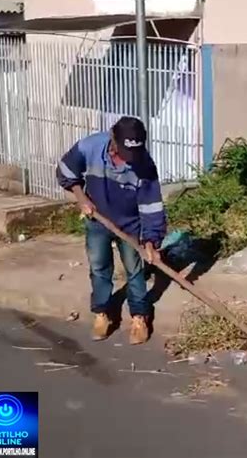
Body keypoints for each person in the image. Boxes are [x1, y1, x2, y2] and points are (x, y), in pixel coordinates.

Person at [56, 116, 166, 345]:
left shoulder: (144, 164)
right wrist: (81, 197)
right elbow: (65, 171)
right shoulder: (90, 146)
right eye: (125, 151)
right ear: (113, 138)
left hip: (130, 225)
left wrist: (151, 242)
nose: (129, 159)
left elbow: (151, 206)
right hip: (98, 219)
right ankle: (102, 313)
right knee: (99, 267)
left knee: (135, 272)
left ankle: (139, 317)